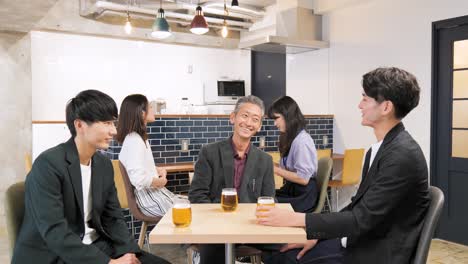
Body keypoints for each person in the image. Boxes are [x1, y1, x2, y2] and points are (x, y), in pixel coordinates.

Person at [256, 67, 430, 264]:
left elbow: (360, 219)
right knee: (280, 251)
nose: (359, 105)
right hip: (357, 241)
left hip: (373, 253)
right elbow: (356, 208)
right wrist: (317, 235)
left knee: (283, 257)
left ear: (386, 107)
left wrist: (296, 219)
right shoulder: (382, 149)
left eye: (365, 99)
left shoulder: (402, 155)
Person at [12, 90, 169, 264]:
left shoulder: (103, 165)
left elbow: (113, 218)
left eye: (113, 122)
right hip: (55, 255)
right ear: (79, 125)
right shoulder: (48, 165)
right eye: (107, 123)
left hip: (96, 246)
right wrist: (109, 263)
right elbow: (55, 232)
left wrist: (130, 254)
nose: (114, 131)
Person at [189, 95, 276, 264]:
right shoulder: (209, 153)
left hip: (252, 228)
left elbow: (269, 199)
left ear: (259, 126)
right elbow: (197, 196)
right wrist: (217, 221)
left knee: (290, 248)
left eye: (255, 119)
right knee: (213, 253)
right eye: (244, 115)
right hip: (216, 227)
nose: (248, 122)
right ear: (233, 117)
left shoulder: (265, 160)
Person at [117, 94, 175, 217]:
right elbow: (139, 179)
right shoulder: (134, 140)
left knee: (191, 206)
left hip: (153, 196)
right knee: (191, 210)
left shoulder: (138, 138)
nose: (153, 110)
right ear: (142, 113)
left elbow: (140, 168)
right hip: (149, 200)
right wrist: (161, 182)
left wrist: (157, 170)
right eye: (150, 107)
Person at [268, 96, 318, 213]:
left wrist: (275, 170)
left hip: (303, 196)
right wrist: (270, 164)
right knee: (265, 197)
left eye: (277, 118)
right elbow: (290, 170)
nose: (275, 123)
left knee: (266, 202)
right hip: (293, 190)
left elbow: (303, 178)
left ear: (287, 116)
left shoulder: (302, 141)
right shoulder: (292, 138)